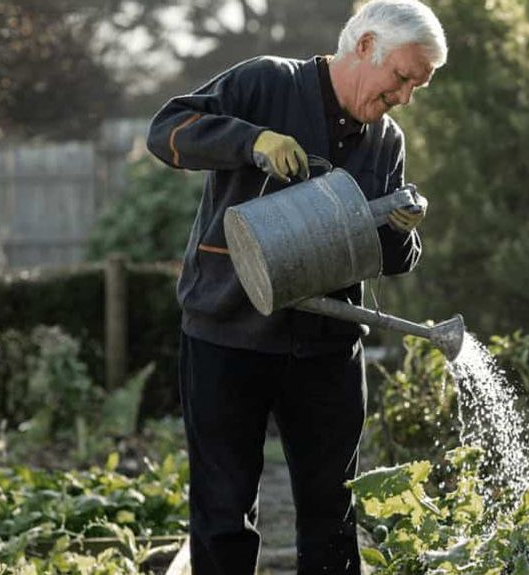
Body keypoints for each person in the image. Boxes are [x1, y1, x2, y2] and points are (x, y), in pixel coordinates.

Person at [144, 1, 446, 572]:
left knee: (334, 508)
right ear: (365, 47)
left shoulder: (386, 142)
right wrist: (252, 142)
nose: (405, 96)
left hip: (327, 345)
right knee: (224, 512)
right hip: (226, 330)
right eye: (403, 77)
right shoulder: (266, 82)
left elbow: (388, 259)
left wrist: (402, 231)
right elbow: (166, 131)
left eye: (417, 87)